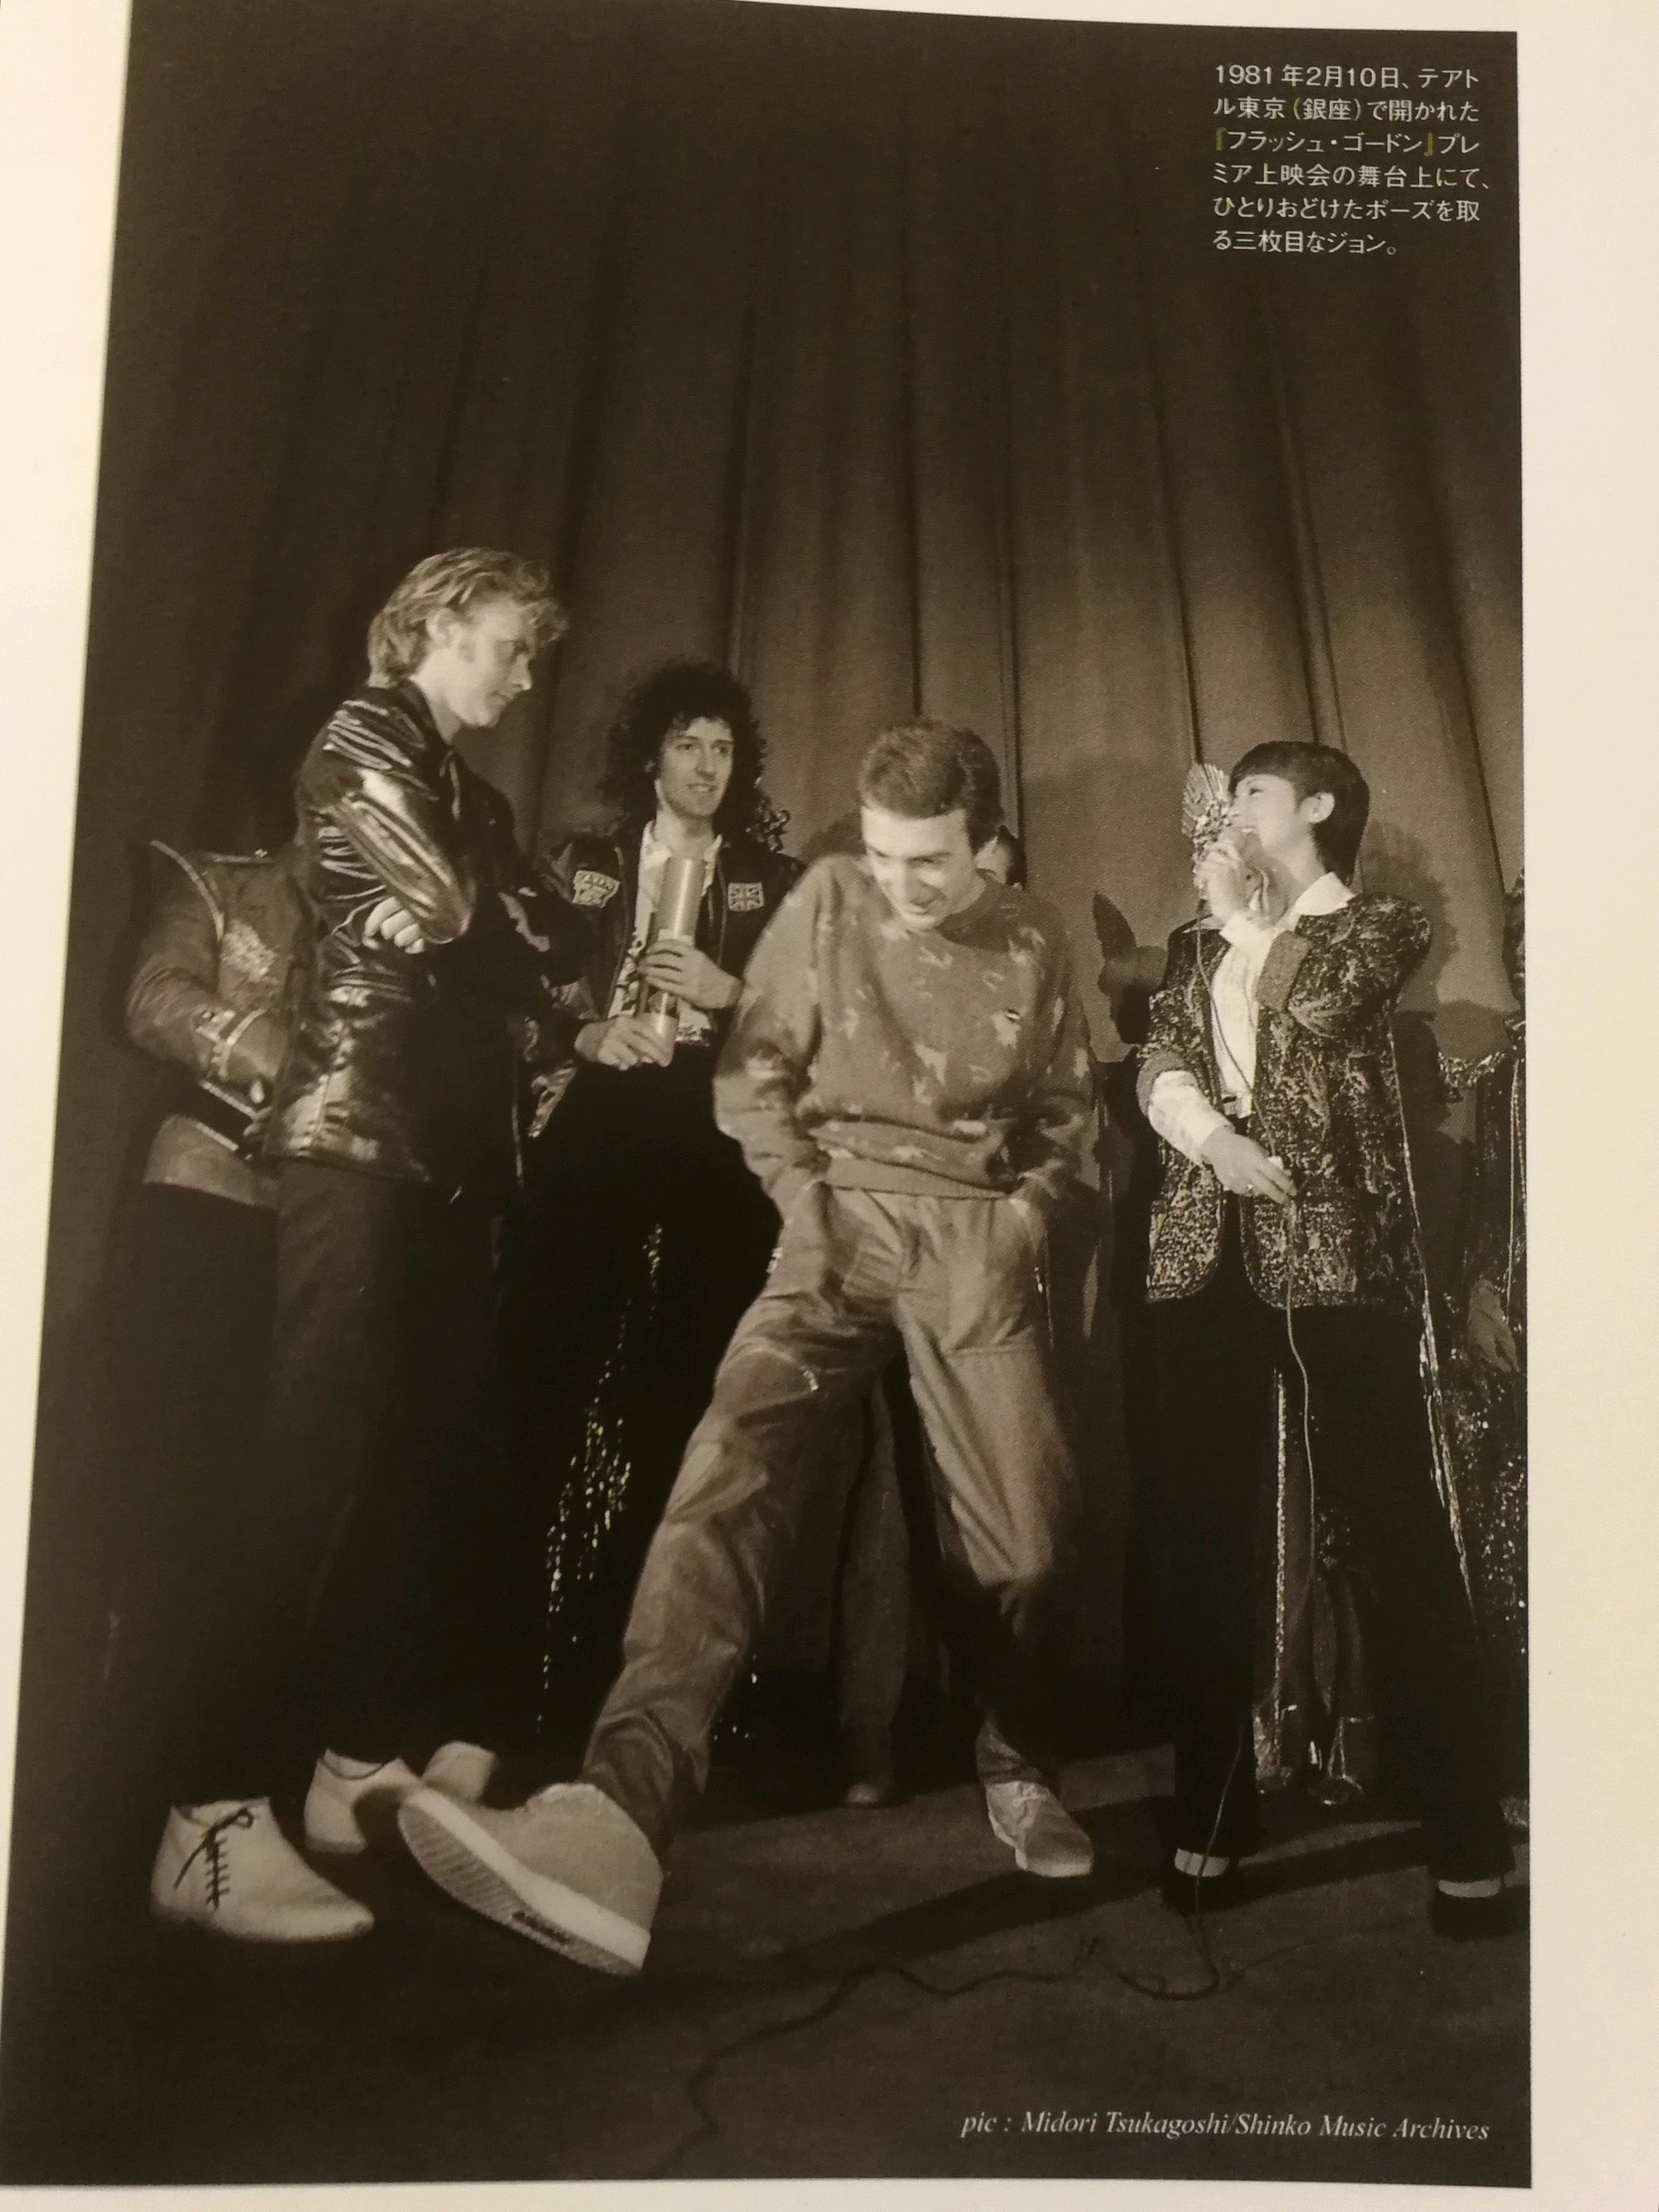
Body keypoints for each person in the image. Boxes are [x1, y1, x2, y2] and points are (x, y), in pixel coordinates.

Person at [397, 720, 1098, 1972]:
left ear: (983, 842)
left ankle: (1016, 1760)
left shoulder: (1034, 935)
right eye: (884, 855)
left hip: (971, 1241)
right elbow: (752, 1068)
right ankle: (618, 1818)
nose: (902, 883)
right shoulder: (826, 898)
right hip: (834, 1225)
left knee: (1030, 1549)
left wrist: (1022, 1222)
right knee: (725, 1477)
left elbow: (1063, 1113)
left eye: (931, 861)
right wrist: (803, 1199)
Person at [148, 548, 582, 1942]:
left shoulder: (473, 791)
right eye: (511, 645)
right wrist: (480, 920)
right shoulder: (359, 737)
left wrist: (488, 924)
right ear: (438, 623)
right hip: (356, 1134)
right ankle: (207, 1811)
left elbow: (550, 941)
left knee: (412, 1458)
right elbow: (466, 912)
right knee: (313, 1458)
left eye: (533, 655)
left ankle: (350, 1762)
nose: (527, 677)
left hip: (447, 1154)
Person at [1138, 739, 1514, 1940]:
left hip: (1337, 1261)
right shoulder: (1197, 941)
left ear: (1316, 805)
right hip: (1207, 1253)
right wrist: (1214, 1143)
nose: (1226, 808)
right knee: (1203, 1537)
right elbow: (1160, 1056)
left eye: (1249, 790)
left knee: (1395, 1530)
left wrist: (1239, 915)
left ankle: (1464, 1835)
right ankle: (1209, 1816)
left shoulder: (1374, 924)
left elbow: (1312, 1004)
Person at [494, 660, 798, 1738]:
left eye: (722, 748)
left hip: (714, 1140)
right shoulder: (580, 864)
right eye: (686, 744)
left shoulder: (773, 879)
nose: (706, 766)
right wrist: (582, 1033)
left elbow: (820, 1023)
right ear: (650, 757)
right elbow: (505, 988)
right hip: (598, 1123)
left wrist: (734, 992)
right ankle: (500, 1683)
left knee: (689, 1399)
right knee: (539, 1374)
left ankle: (641, 1692)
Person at [1444, 874, 1527, 1819]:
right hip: (1514, 1331)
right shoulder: (1501, 1069)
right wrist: (1477, 1291)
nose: (1525, 951)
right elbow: (1483, 1199)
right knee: (1511, 1543)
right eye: (1514, 933)